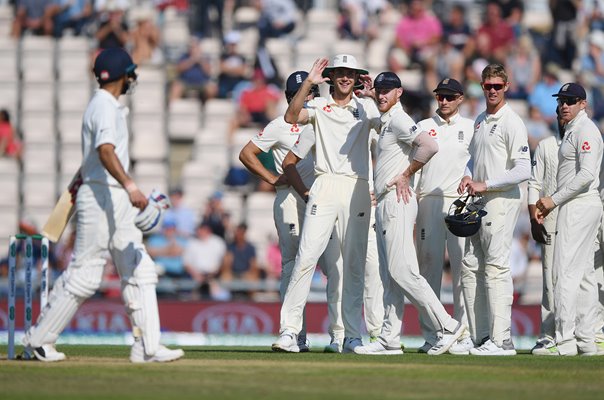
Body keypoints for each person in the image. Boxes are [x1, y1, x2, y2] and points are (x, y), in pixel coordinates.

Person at [21, 48, 183, 363]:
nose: (133, 79)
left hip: (110, 194)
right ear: (122, 75)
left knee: (138, 266)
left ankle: (147, 347)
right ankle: (38, 341)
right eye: (131, 73)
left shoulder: (107, 106)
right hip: (101, 195)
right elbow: (105, 152)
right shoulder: (104, 107)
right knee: (86, 272)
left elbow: (97, 158)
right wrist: (131, 186)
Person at [271, 55, 381, 353]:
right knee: (306, 257)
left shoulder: (366, 108)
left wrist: (377, 99)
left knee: (354, 263)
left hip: (357, 187)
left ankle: (352, 336)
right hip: (325, 183)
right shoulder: (318, 106)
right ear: (331, 76)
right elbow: (291, 118)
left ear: (357, 77)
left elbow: (392, 136)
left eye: (350, 74)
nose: (345, 78)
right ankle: (289, 332)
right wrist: (309, 81)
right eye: (340, 73)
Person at [353, 72, 466, 356]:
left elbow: (430, 145)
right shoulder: (388, 119)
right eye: (379, 90)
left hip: (397, 201)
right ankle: (389, 339)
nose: (381, 95)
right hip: (385, 201)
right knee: (390, 274)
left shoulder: (401, 119)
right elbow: (379, 120)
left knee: (403, 271)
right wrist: (369, 95)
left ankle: (449, 325)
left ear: (399, 93)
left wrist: (406, 174)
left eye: (387, 91)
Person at [239, 70, 344, 352]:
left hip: (325, 197)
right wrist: (272, 179)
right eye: (303, 94)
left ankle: (340, 335)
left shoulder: (325, 119)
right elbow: (246, 154)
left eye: (311, 93)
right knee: (293, 266)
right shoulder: (278, 126)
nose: (308, 98)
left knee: (334, 266)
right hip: (290, 199)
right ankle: (295, 334)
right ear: (290, 98)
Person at [457, 63, 531, 356]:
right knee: (471, 266)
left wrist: (485, 183)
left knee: (497, 267)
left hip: (501, 200)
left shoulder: (512, 121)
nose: (491, 91)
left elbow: (523, 169)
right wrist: (467, 174)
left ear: (506, 87)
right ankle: (481, 335)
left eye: (497, 86)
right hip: (480, 200)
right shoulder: (480, 120)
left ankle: (501, 340)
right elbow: (474, 160)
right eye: (487, 86)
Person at [535, 83, 604, 356]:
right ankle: (586, 340)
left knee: (563, 272)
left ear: (583, 104)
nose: (564, 105)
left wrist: (553, 199)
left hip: (578, 206)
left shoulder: (586, 130)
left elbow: (587, 175)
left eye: (571, 101)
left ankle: (564, 341)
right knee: (585, 274)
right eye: (562, 100)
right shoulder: (575, 130)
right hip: (578, 206)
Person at [414, 78, 474, 354]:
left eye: (450, 97)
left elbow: (475, 163)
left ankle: (464, 334)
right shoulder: (425, 127)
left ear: (460, 98)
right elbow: (413, 167)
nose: (445, 101)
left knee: (463, 270)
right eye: (441, 97)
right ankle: (433, 334)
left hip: (459, 204)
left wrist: (469, 176)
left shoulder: (470, 128)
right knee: (428, 270)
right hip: (428, 201)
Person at [526, 109, 563, 355]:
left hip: (580, 217)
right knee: (550, 277)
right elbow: (534, 183)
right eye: (561, 110)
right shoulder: (547, 146)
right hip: (550, 218)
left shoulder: (589, 143)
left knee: (584, 277)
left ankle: (586, 332)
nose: (565, 114)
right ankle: (549, 334)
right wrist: (533, 217)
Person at [183, 222, 227, 300]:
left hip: (215, 276)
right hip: (195, 276)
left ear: (208, 230)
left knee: (220, 295)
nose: (199, 232)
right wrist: (196, 275)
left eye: (202, 230)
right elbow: (186, 263)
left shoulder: (218, 242)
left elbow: (224, 261)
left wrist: (214, 274)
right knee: (193, 296)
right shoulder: (192, 243)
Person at [169, 38, 218, 103]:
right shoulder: (184, 56)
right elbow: (178, 69)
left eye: (194, 47)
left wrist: (200, 61)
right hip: (185, 82)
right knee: (176, 88)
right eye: (191, 47)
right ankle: (172, 108)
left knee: (212, 89)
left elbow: (209, 72)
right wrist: (192, 60)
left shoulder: (204, 57)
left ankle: (208, 108)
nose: (192, 49)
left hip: (202, 83)